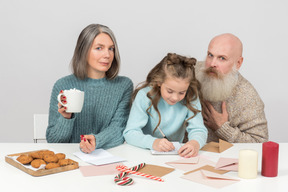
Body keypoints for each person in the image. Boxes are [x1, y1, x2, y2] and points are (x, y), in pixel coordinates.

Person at [46, 24, 133, 153]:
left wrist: (96, 141)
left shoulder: (123, 85)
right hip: (70, 159)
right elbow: (54, 140)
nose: (107, 55)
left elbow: (118, 129)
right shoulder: (63, 85)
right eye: (99, 48)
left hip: (109, 157)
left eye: (111, 49)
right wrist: (66, 118)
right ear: (83, 51)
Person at [123, 53, 207, 158]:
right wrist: (153, 143)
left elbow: (198, 129)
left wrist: (195, 143)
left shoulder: (191, 96)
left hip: (175, 157)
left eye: (181, 92)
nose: (175, 98)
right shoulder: (145, 96)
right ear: (159, 82)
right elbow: (130, 132)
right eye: (170, 91)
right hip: (143, 154)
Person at [196, 33, 268, 143]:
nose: (212, 64)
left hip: (222, 157)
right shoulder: (191, 71)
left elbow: (260, 142)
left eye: (222, 58)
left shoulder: (248, 97)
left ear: (238, 63)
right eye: (210, 55)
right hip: (182, 154)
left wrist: (222, 128)